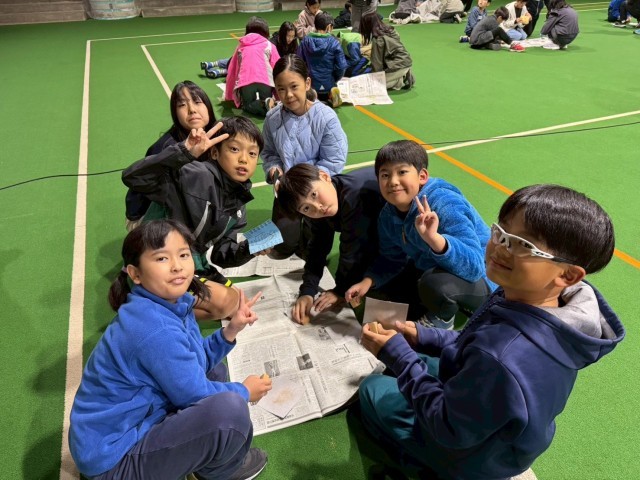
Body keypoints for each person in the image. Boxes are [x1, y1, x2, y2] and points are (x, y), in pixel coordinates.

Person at [355, 184, 625, 479]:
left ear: (568, 274)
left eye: (522, 244)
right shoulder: (541, 302)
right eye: (501, 232)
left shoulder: (501, 355)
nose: (499, 247)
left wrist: (399, 357)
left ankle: (429, 468)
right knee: (422, 364)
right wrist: (424, 336)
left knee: (372, 389)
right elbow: (475, 341)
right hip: (503, 433)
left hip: (470, 454)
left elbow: (447, 426)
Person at [69, 219, 273, 480]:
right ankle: (218, 473)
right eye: (162, 258)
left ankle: (200, 460)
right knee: (230, 410)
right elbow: (195, 394)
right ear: (135, 274)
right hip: (114, 461)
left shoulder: (169, 303)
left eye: (183, 254)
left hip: (127, 428)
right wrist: (245, 391)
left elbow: (194, 362)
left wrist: (229, 331)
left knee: (216, 373)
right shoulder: (154, 328)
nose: (177, 265)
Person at [346, 140, 495, 330]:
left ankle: (442, 322)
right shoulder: (388, 215)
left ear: (422, 176)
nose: (393, 181)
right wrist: (367, 281)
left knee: (433, 284)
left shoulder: (444, 202)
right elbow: (391, 258)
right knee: (387, 290)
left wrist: (435, 240)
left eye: (402, 172)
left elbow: (474, 267)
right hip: (436, 268)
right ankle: (434, 305)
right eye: (385, 175)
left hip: (485, 280)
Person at [122, 116, 266, 297]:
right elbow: (133, 177)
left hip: (191, 263)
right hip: (157, 263)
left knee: (236, 297)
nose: (244, 159)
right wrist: (184, 152)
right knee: (225, 301)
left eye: (252, 153)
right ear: (215, 153)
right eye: (235, 149)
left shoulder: (238, 202)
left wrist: (252, 247)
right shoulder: (194, 175)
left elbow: (221, 255)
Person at [274, 164, 386, 324]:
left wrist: (340, 291)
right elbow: (317, 248)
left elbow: (353, 250)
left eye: (314, 194)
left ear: (325, 176)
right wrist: (307, 291)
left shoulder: (353, 197)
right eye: (306, 208)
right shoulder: (319, 211)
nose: (317, 207)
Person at [262, 54, 348, 259]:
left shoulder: (326, 117)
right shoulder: (272, 118)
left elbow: (333, 160)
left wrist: (307, 184)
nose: (288, 95)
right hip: (287, 190)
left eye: (294, 86)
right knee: (281, 246)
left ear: (307, 83)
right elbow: (269, 152)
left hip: (315, 192)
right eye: (281, 89)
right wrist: (274, 170)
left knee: (311, 251)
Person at [124, 81, 217, 230]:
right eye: (182, 105)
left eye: (197, 102)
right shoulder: (166, 147)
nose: (192, 109)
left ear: (208, 107)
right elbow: (136, 180)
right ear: (175, 114)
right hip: (147, 213)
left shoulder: (215, 136)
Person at [222, 16, 280, 118]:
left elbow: (232, 70)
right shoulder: (269, 45)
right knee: (268, 100)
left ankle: (262, 105)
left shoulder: (241, 46)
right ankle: (268, 104)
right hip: (266, 81)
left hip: (246, 81)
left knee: (246, 105)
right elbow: (278, 66)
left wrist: (229, 94)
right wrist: (279, 93)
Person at [296, 12, 347, 107]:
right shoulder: (334, 42)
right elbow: (342, 66)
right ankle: (330, 94)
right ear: (329, 27)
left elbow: (298, 62)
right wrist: (335, 78)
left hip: (311, 83)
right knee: (331, 85)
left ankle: (313, 96)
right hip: (328, 82)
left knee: (309, 94)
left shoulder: (305, 41)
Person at [359, 12, 414, 90]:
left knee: (373, 85)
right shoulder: (391, 30)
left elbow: (377, 63)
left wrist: (374, 77)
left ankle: (400, 80)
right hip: (405, 61)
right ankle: (402, 74)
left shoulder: (378, 39)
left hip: (397, 65)